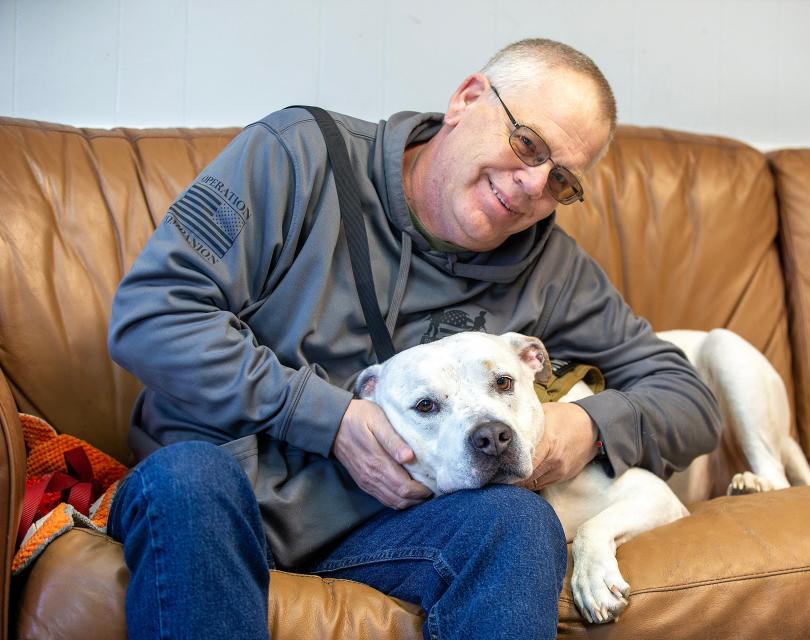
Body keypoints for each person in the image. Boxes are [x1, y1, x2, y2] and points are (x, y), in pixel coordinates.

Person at [107, 38, 721, 640]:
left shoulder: (552, 270)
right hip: (223, 493)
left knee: (515, 519)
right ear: (467, 98)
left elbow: (690, 399)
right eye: (526, 143)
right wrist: (331, 418)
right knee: (187, 478)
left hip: (393, 530)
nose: (534, 186)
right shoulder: (294, 155)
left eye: (562, 180)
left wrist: (582, 431)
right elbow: (151, 316)